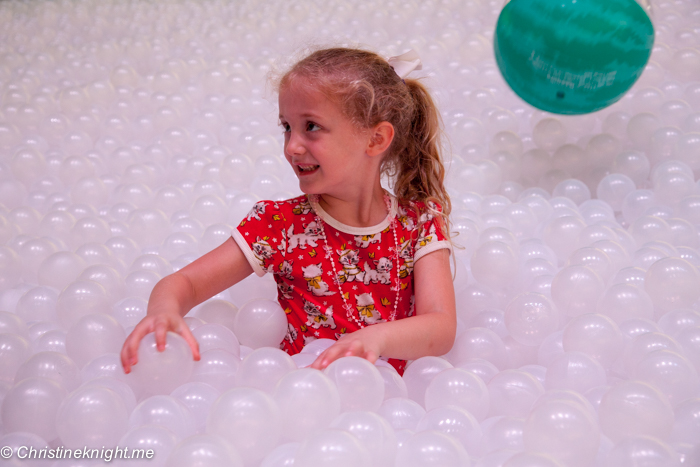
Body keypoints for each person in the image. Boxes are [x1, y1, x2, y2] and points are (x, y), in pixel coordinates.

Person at [121, 47, 456, 376]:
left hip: (385, 406)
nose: (292, 146)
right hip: (299, 397)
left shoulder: (420, 223)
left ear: (375, 139)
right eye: (287, 127)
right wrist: (164, 311)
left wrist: (375, 339)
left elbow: (440, 326)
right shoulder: (279, 225)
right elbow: (186, 283)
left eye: (311, 126)